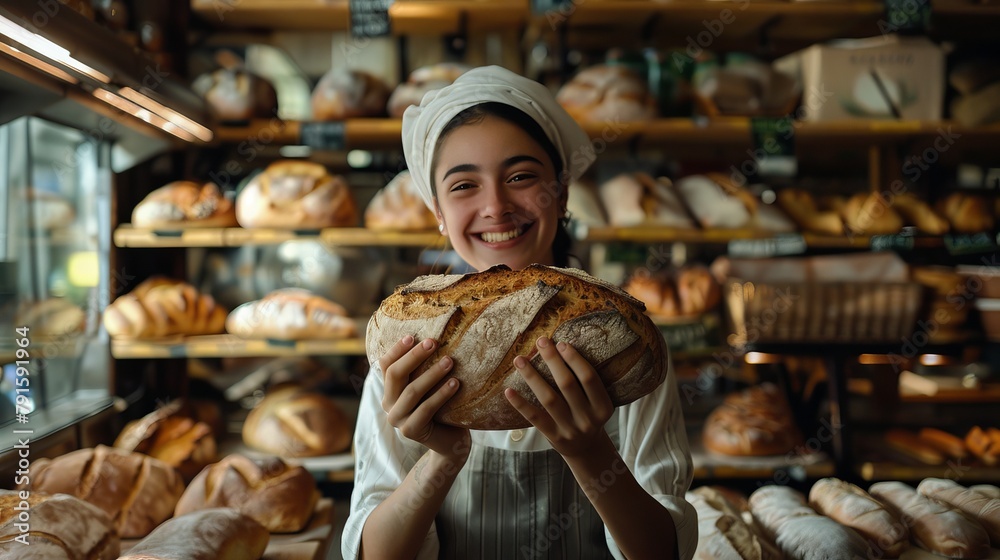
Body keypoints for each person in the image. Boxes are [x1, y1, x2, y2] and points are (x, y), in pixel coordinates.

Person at [342, 65, 696, 560]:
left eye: (521, 176)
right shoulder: (407, 354)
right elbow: (377, 555)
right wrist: (444, 456)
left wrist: (589, 452)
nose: (496, 206)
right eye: (464, 186)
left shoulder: (621, 344)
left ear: (563, 192)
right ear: (439, 214)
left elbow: (662, 554)